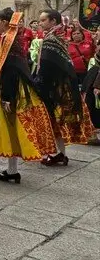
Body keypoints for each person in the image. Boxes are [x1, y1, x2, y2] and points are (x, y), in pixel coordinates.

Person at [0, 9, 56, 184]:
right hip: (7, 87)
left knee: (2, 126)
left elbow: (12, 69)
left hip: (7, 90)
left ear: (6, 23)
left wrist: (6, 96)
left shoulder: (8, 39)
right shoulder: (11, 37)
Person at [35, 9, 94, 165]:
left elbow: (48, 66)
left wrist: (40, 83)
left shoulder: (52, 38)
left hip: (56, 88)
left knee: (54, 120)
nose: (40, 23)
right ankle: (60, 153)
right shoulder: (58, 36)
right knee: (56, 122)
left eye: (43, 20)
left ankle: (57, 153)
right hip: (62, 86)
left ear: (53, 21)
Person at [84, 46, 100, 145]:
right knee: (91, 106)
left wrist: (97, 85)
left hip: (96, 82)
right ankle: (92, 135)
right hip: (93, 78)